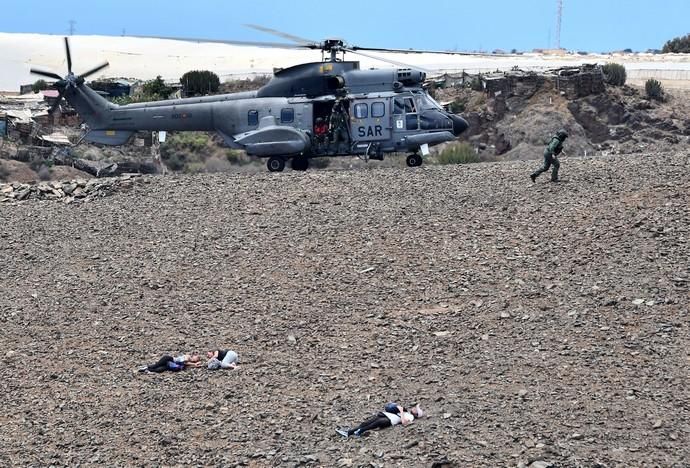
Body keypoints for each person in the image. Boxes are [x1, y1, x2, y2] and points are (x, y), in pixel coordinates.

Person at [335, 402, 424, 438]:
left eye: (416, 410)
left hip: (389, 420)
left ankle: (356, 432)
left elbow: (404, 423)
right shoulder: (407, 412)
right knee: (366, 423)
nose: (414, 408)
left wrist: (401, 411)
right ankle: (349, 433)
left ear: (415, 414)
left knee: (371, 425)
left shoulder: (411, 417)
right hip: (385, 415)